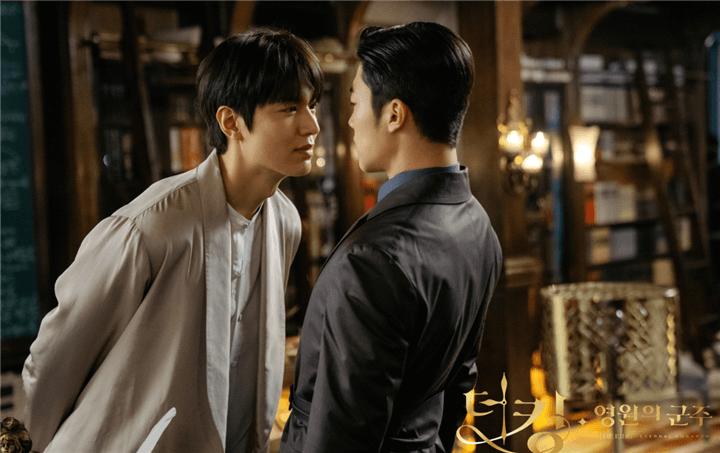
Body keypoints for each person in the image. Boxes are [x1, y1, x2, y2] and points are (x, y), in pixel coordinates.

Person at [22, 28, 322, 453]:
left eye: (313, 105)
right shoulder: (152, 226)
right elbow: (55, 360)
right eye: (290, 108)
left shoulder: (285, 221)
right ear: (231, 122)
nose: (312, 125)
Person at [280, 22, 502, 453]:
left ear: (394, 114)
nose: (349, 121)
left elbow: (343, 437)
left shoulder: (372, 259)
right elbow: (457, 388)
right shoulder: (478, 225)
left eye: (355, 103)